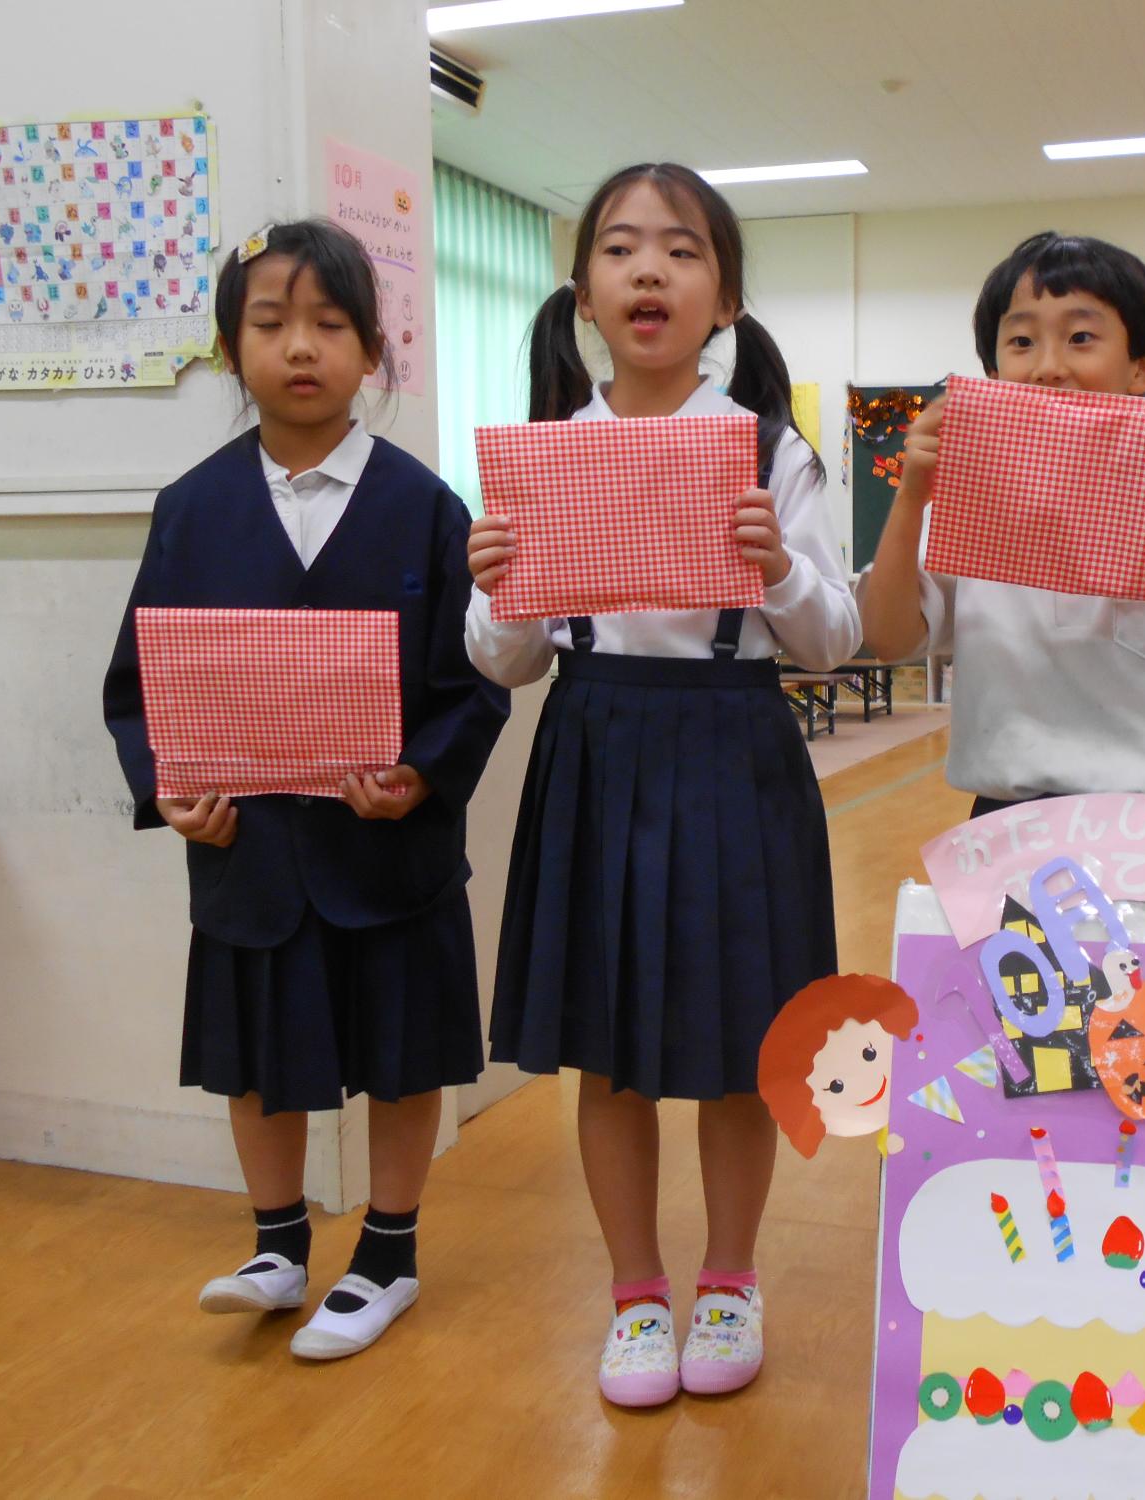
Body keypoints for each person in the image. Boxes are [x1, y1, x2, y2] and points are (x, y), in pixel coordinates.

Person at [464, 163, 860, 1407]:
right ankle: (637, 1294)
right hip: (594, 751)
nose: (649, 271)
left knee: (747, 1047)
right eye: (622, 249)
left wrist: (780, 569)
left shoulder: (769, 447)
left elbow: (835, 641)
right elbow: (505, 662)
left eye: (681, 251)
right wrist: (500, 583)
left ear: (723, 294)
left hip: (735, 747)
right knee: (608, 1051)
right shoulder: (544, 453)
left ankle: (730, 1277)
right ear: (584, 292)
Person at [101, 218, 509, 1361]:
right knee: (257, 1053)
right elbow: (136, 687)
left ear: (372, 352)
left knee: (399, 1051)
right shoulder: (190, 508)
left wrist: (421, 774)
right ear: (232, 348)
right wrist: (166, 789)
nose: (301, 347)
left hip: (390, 847)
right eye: (270, 323)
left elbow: (472, 683)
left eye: (330, 325)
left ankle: (387, 1253)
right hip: (249, 847)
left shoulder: (427, 505)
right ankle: (277, 1245)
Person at [855, 230, 1145, 815]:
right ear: (994, 369)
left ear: (1141, 367)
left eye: (1081, 338)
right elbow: (890, 637)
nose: (1049, 368)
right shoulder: (975, 500)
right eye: (1021, 341)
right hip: (1006, 819)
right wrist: (910, 500)